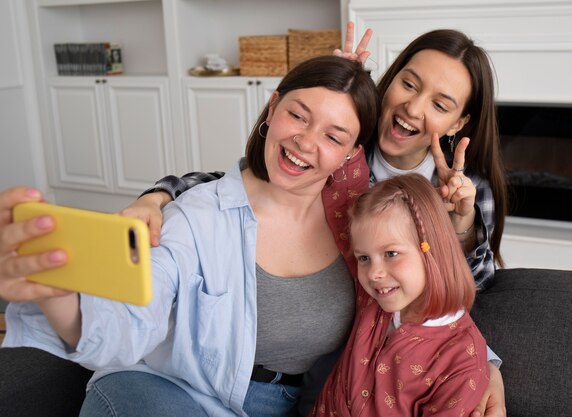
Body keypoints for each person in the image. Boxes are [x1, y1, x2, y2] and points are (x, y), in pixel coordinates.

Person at [120, 25, 507, 416]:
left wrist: (482, 363)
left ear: (459, 123)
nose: (414, 108)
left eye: (440, 106)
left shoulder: (466, 189)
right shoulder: (342, 154)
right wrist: (159, 195)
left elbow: (463, 294)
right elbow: (247, 183)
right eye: (409, 84)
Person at [0, 55, 380, 417]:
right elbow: (133, 316)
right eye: (298, 116)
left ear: (350, 154)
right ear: (273, 106)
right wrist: (60, 293)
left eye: (333, 137)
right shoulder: (197, 213)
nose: (306, 141)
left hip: (290, 402)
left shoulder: (356, 225)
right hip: (174, 391)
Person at [312, 173, 490, 416]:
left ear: (432, 250)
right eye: (364, 258)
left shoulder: (462, 359)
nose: (374, 273)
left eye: (391, 254)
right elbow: (342, 188)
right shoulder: (373, 300)